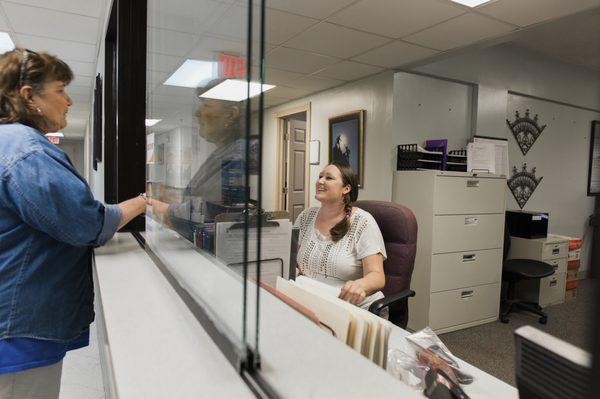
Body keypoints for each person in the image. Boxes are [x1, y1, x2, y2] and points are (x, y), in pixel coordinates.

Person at [0, 48, 147, 398]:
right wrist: (141, 203)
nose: (68, 101)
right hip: (19, 329)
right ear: (28, 95)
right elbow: (86, 225)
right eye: (61, 90)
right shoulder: (27, 151)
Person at [294, 161, 386, 310]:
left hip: (349, 307)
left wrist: (360, 285)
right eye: (320, 176)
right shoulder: (305, 217)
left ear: (346, 188)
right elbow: (292, 259)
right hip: (310, 300)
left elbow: (377, 276)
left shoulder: (363, 222)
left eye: (329, 178)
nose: (320, 181)